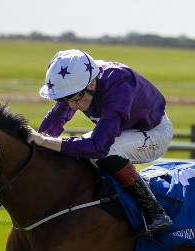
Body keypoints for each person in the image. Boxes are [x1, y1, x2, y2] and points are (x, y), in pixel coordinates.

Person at [27, 49, 173, 234]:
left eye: (74, 98)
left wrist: (48, 142)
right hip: (123, 131)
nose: (71, 105)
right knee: (78, 150)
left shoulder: (119, 83)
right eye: (64, 99)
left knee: (103, 151)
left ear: (92, 84)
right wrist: (37, 143)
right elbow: (53, 124)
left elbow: (99, 146)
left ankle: (154, 209)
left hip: (154, 133)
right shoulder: (78, 83)